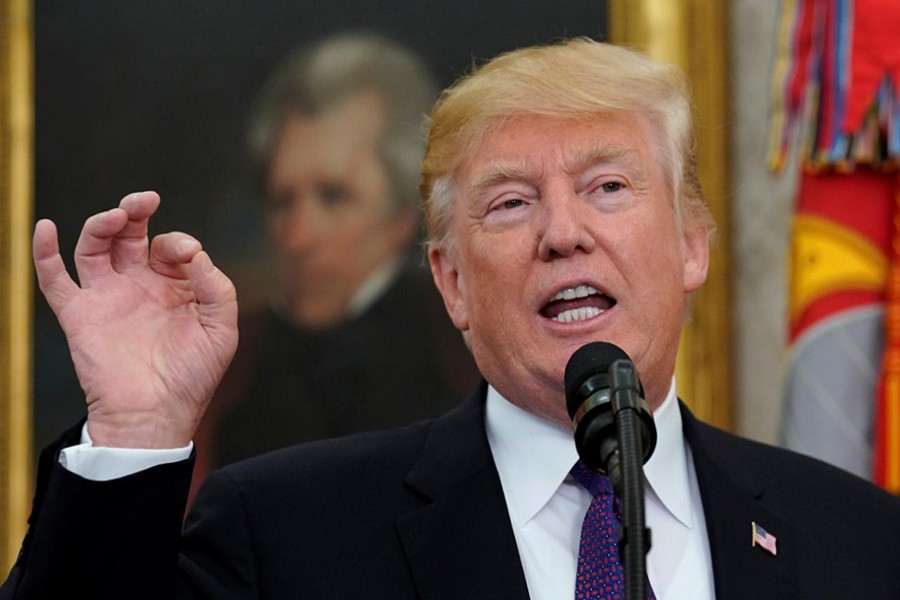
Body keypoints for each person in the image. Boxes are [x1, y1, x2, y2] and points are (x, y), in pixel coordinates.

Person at [5, 38, 900, 599]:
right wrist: (134, 431)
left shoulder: (860, 543)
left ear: (693, 244)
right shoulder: (284, 534)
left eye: (608, 187)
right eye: (510, 204)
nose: (562, 233)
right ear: (451, 281)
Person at [193, 34, 480, 488]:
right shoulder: (229, 365)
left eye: (333, 197)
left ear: (403, 214)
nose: (298, 235)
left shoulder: (464, 355)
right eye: (282, 202)